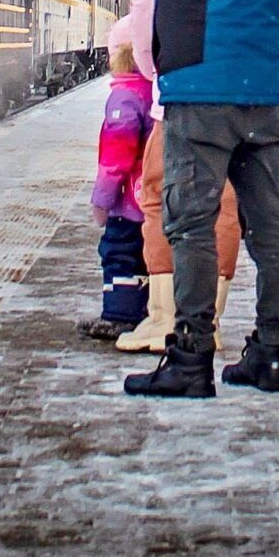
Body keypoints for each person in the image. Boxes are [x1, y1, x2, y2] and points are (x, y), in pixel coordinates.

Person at [101, 0, 279, 399]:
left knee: (189, 224)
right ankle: (270, 352)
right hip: (260, 86)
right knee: (267, 226)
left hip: (201, 84)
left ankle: (191, 359)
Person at [111, 0, 246, 357]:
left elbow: (143, 32)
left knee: (160, 201)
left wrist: (158, 71)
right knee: (223, 205)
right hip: (241, 97)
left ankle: (166, 317)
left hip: (180, 96)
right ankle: (208, 320)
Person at [82, 39, 155, 341]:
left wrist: (102, 199)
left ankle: (120, 315)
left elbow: (115, 159)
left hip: (128, 199)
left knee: (118, 254)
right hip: (149, 195)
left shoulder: (124, 98)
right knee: (144, 255)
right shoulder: (151, 92)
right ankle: (143, 310)